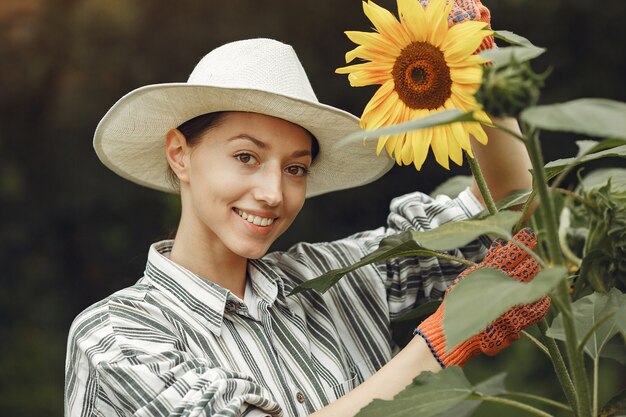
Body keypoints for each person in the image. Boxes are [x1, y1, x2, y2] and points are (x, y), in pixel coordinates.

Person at [64, 6, 549, 417]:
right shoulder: (116, 337)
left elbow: (503, 211)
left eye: (296, 169)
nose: (273, 192)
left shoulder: (334, 279)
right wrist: (441, 342)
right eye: (246, 157)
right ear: (179, 154)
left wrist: (474, 64)